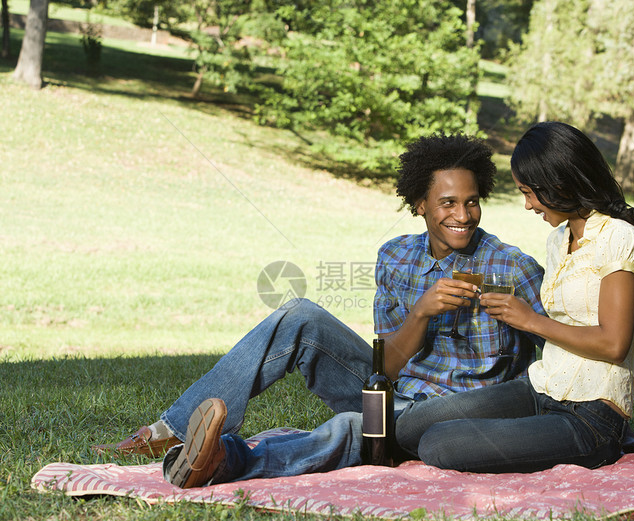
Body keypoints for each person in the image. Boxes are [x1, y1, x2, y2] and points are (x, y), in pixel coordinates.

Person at [155, 133, 546, 488]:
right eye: (448, 203)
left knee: (354, 428)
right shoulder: (396, 257)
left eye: (471, 202)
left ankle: (223, 460)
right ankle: (172, 431)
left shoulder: (512, 267)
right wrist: (422, 313)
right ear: (420, 204)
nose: (462, 216)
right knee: (300, 316)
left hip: (459, 416)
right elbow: (386, 369)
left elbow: (561, 351)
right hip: (395, 393)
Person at [394, 121, 634, 474]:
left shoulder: (619, 237)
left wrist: (529, 320)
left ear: (559, 183)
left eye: (529, 192)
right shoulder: (559, 240)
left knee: (438, 443)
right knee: (409, 426)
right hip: (540, 387)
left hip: (591, 416)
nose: (527, 205)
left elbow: (613, 344)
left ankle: (594, 445)